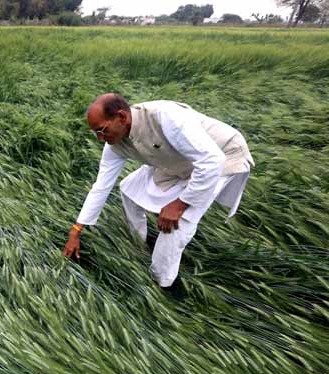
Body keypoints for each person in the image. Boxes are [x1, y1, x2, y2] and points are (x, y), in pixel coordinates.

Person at [62, 93, 254, 290]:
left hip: (222, 156)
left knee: (175, 226)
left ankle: (160, 286)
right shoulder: (114, 144)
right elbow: (101, 186)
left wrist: (179, 204)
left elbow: (212, 161)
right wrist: (76, 231)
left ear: (121, 117)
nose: (100, 138)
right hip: (179, 160)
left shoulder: (165, 117)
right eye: (95, 133)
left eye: (102, 130)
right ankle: (138, 245)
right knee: (129, 190)